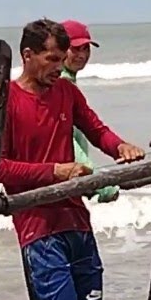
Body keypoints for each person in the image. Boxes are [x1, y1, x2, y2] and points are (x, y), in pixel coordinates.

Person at [0, 18, 145, 300]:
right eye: (52, 59)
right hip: (37, 226)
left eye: (62, 59)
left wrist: (121, 147)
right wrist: (55, 171)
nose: (60, 67)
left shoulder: (67, 92)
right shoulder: (3, 100)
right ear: (28, 55)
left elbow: (97, 130)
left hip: (75, 219)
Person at [59, 19, 120, 204]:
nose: (82, 55)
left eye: (86, 48)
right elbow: (68, 141)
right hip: (68, 177)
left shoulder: (68, 82)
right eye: (75, 48)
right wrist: (101, 186)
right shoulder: (61, 85)